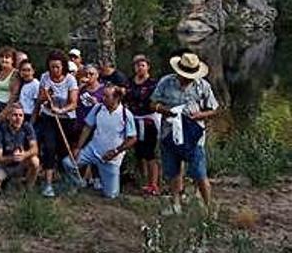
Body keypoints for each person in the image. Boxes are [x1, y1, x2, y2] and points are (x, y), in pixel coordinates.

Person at [150, 51, 219, 214]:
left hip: (194, 136)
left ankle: (208, 208)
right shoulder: (166, 82)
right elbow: (153, 104)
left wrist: (199, 115)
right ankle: (175, 204)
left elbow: (214, 109)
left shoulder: (203, 86)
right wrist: (166, 111)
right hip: (170, 134)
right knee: (173, 170)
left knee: (199, 172)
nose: (187, 78)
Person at [63, 85, 136, 199]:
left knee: (111, 195)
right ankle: (76, 183)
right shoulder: (97, 108)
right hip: (92, 150)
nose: (103, 98)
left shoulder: (126, 115)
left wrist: (116, 151)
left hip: (111, 158)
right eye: (103, 95)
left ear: (116, 98)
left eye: (106, 96)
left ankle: (103, 182)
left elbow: (132, 138)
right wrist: (78, 147)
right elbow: (87, 127)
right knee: (68, 163)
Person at [36, 50, 79, 198]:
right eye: (51, 67)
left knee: (63, 151)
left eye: (57, 67)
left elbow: (74, 103)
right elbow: (41, 99)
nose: (54, 70)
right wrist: (45, 96)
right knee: (49, 147)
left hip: (66, 119)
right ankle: (48, 184)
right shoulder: (45, 77)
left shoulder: (70, 80)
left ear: (63, 67)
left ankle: (69, 180)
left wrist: (61, 109)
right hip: (49, 117)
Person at [124, 54, 161, 196]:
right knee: (138, 152)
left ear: (147, 67)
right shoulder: (129, 82)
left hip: (148, 119)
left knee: (149, 152)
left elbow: (156, 100)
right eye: (137, 65)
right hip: (133, 118)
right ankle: (143, 180)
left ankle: (154, 184)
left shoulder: (153, 83)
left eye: (142, 65)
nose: (139, 68)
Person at [0, 103, 39, 193]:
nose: (18, 118)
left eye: (21, 115)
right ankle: (5, 184)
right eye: (15, 115)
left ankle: (28, 190)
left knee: (35, 161)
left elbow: (35, 149)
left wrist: (24, 155)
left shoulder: (27, 127)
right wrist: (13, 158)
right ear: (8, 117)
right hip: (3, 165)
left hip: (21, 163)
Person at [0, 46, 20, 114]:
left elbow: (14, 95)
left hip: (5, 106)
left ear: (12, 60)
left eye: (7, 57)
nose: (4, 59)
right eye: (2, 57)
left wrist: (5, 111)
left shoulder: (15, 74)